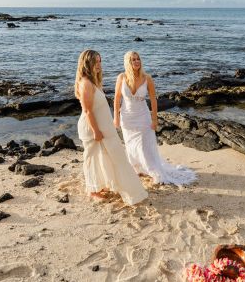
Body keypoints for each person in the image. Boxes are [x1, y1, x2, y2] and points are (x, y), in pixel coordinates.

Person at [75, 49, 148, 206]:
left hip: (103, 127)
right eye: (96, 61)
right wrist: (96, 131)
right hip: (92, 129)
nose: (99, 65)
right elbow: (87, 110)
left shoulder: (93, 82)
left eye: (100, 61)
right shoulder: (86, 83)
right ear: (87, 63)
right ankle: (92, 190)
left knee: (111, 157)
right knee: (92, 158)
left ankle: (104, 186)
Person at [114, 51, 197, 186]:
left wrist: (154, 119)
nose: (136, 61)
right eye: (133, 60)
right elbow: (117, 98)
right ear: (127, 62)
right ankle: (137, 168)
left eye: (138, 59)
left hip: (142, 116)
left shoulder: (147, 78)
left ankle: (153, 171)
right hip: (126, 117)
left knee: (144, 145)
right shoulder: (121, 77)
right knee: (130, 144)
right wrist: (115, 118)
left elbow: (153, 100)